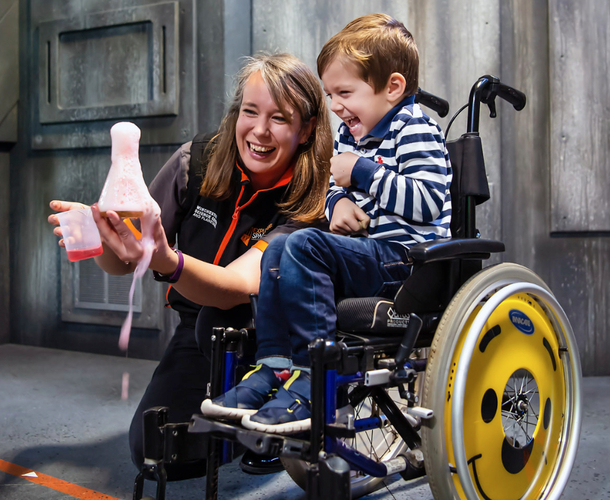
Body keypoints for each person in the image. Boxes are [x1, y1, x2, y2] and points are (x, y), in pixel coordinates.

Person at [48, 53, 333, 477]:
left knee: (220, 325)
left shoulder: (312, 199)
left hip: (272, 343)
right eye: (250, 111)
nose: (259, 130)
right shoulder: (193, 161)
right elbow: (127, 261)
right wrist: (100, 236)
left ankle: (295, 414)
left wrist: (167, 261)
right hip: (200, 333)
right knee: (155, 451)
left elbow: (237, 286)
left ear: (306, 128)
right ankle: (248, 428)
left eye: (279, 118)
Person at [200, 13, 452, 435]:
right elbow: (335, 186)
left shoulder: (417, 130)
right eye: (330, 93)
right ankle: (276, 365)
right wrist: (337, 203)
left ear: (392, 88)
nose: (335, 105)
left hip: (406, 263)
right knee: (279, 247)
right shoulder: (353, 135)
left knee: (302, 246)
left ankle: (316, 377)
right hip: (369, 255)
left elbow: (428, 201)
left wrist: (365, 173)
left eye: (345, 92)